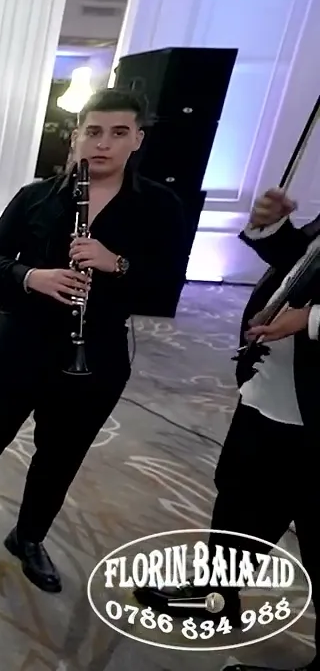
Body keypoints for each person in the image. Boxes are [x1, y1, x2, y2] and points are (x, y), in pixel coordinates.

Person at [0, 89, 186, 593]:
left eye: (118, 133)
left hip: (97, 352)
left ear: (137, 139)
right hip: (19, 342)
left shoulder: (160, 206)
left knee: (60, 455)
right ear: (76, 136)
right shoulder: (36, 196)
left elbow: (168, 285)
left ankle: (29, 536)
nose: (103, 143)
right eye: (93, 131)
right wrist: (30, 277)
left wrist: (116, 263)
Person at [133, 187, 318, 671]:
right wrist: (274, 229)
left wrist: (313, 319)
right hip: (271, 391)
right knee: (240, 499)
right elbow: (303, 267)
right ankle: (216, 596)